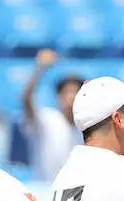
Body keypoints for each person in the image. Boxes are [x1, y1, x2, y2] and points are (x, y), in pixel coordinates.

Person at [21, 49, 84, 181]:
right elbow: (26, 100)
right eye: (66, 92)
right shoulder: (47, 119)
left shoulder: (87, 125)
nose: (71, 97)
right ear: (58, 97)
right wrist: (39, 68)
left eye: (75, 92)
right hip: (45, 190)